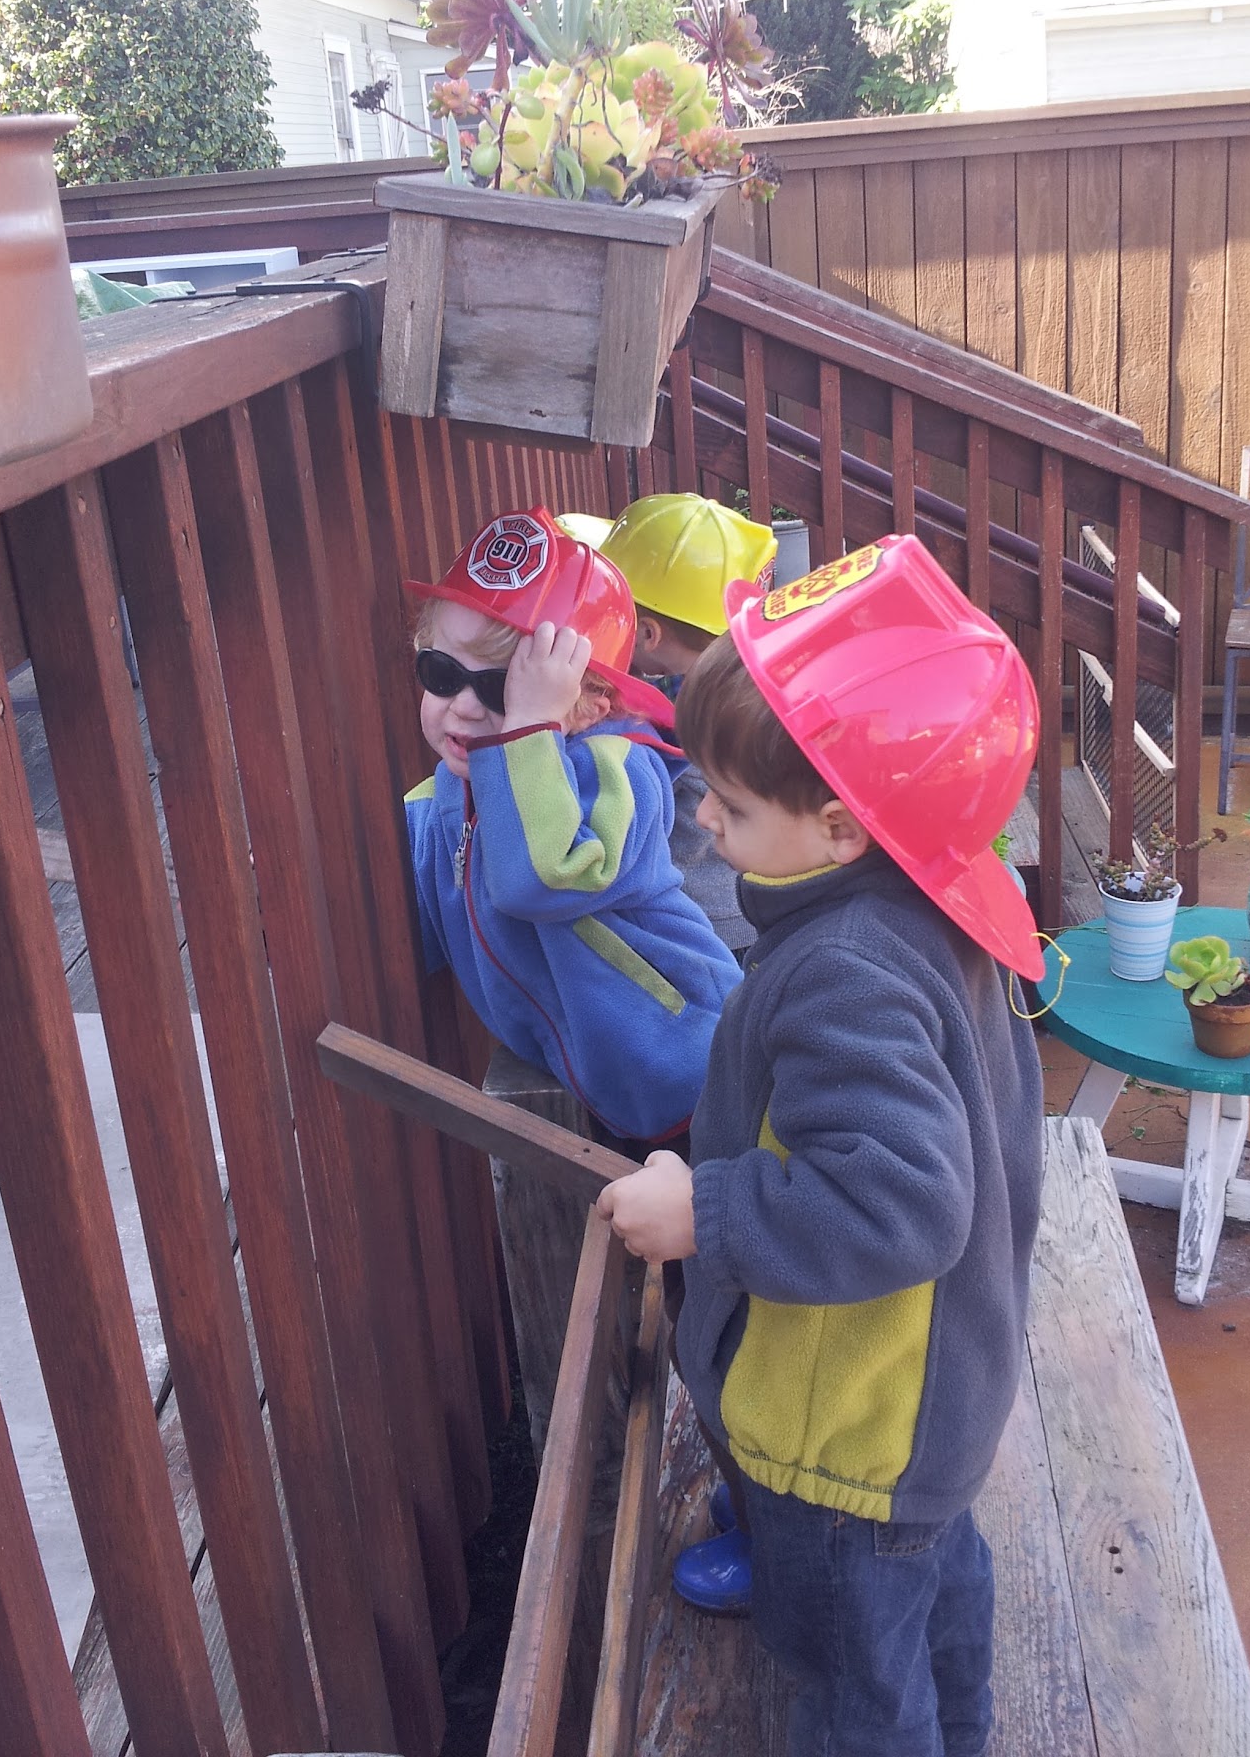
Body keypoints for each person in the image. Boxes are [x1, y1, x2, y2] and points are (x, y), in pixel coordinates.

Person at [596, 535, 1048, 1757]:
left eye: (733, 804)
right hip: (927, 1415)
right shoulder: (928, 898)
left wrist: (704, 1211)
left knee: (855, 1688)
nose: (703, 814)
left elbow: (898, 1201)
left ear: (844, 828)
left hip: (849, 1435)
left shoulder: (847, 970)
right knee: (930, 1602)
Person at [405, 506, 741, 1146]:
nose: (465, 707)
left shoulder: (618, 770)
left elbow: (544, 878)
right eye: (442, 675)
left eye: (504, 690)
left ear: (589, 706)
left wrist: (528, 727)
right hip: (605, 1087)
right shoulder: (442, 800)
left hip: (703, 1074)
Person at [600, 494, 777, 955]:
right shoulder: (746, 679)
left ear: (647, 633)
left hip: (699, 917)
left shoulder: (682, 709)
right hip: (745, 899)